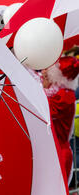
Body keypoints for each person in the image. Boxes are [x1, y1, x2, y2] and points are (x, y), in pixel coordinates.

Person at [40, 56, 79, 184]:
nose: (43, 72)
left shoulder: (64, 95)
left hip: (58, 155)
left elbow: (43, 110)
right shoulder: (60, 92)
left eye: (48, 69)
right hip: (51, 152)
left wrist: (43, 88)